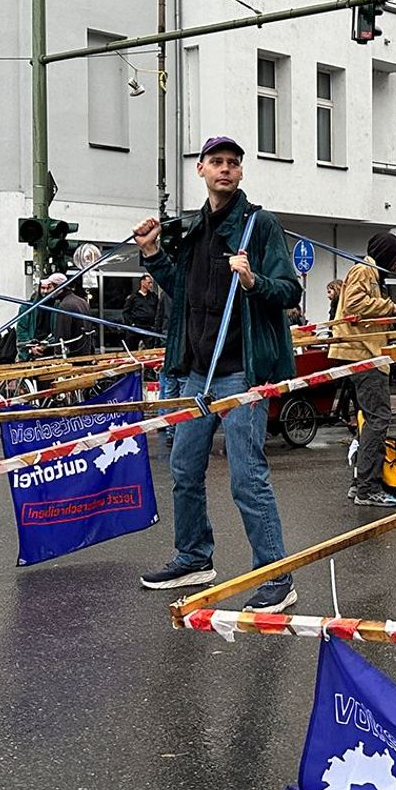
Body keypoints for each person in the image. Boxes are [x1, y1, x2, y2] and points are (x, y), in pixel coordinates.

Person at [134, 135, 303, 611]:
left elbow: (289, 290)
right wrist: (151, 253)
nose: (225, 169)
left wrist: (252, 281)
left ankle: (275, 575)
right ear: (201, 170)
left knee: (247, 477)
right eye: (216, 162)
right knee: (184, 469)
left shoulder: (260, 225)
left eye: (232, 163)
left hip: (241, 372)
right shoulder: (194, 229)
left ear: (241, 173)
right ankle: (193, 557)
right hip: (195, 374)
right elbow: (180, 291)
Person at [334, 231, 396, 506]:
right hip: (364, 354)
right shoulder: (364, 270)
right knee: (379, 418)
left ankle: (360, 484)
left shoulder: (372, 274)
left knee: (370, 420)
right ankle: (368, 488)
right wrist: (390, 307)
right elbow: (354, 304)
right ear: (386, 255)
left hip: (369, 352)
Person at [123, 272, 164, 344]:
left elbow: (158, 310)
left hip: (149, 327)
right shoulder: (133, 297)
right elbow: (126, 312)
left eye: (151, 283)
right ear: (142, 282)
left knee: (149, 348)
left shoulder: (153, 297)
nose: (151, 285)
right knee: (132, 347)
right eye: (149, 283)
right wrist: (131, 324)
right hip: (136, 327)